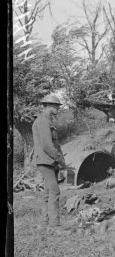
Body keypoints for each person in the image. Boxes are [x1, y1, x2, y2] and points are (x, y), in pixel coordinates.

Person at [32, 93, 67, 229]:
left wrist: (59, 162)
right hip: (46, 161)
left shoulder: (47, 121)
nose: (58, 108)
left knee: (47, 193)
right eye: (56, 106)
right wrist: (60, 161)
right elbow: (47, 145)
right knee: (55, 192)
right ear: (49, 106)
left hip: (49, 162)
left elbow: (55, 144)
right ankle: (54, 225)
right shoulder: (43, 121)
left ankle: (44, 223)